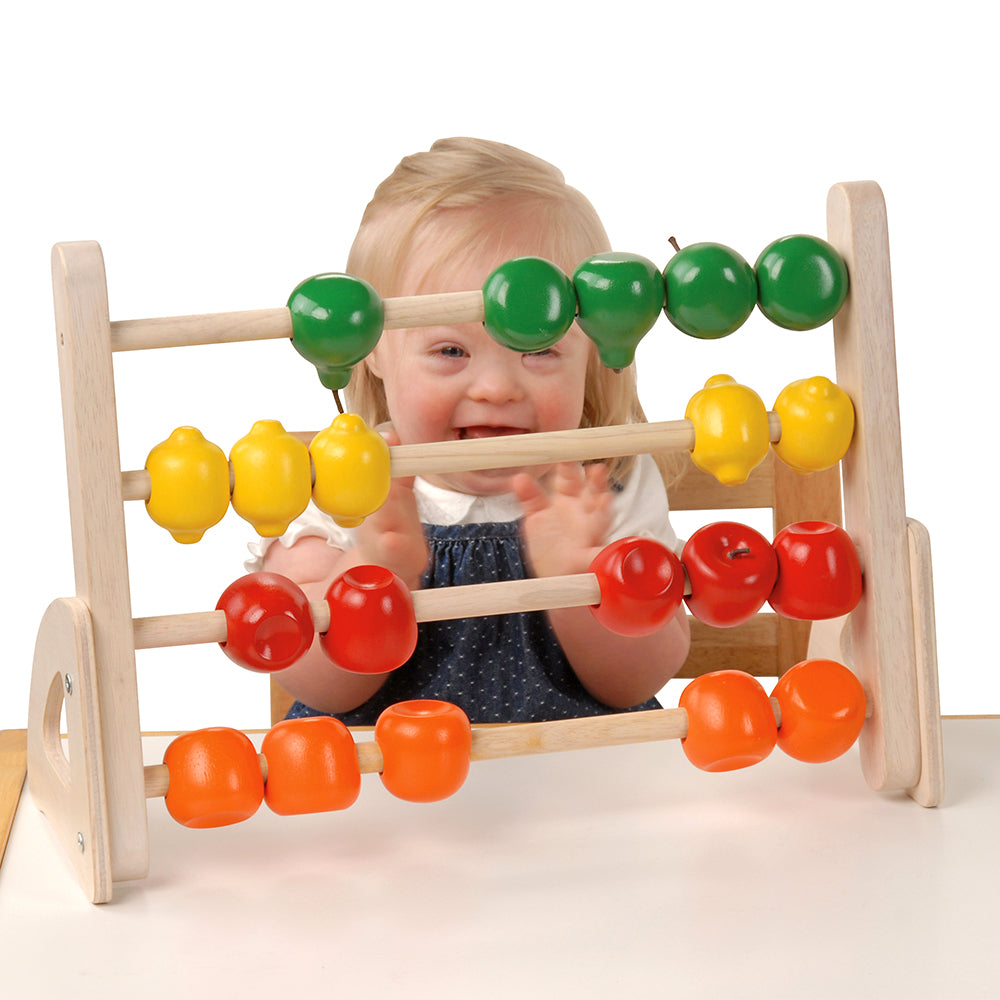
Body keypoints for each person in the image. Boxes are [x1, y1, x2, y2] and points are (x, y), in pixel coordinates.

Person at [247, 137, 691, 724]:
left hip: (579, 786)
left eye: (538, 349)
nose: (496, 388)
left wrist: (579, 583)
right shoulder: (337, 486)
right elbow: (314, 683)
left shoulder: (602, 484)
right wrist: (373, 575)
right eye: (451, 348)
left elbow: (635, 681)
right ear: (372, 352)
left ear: (593, 353)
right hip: (380, 794)